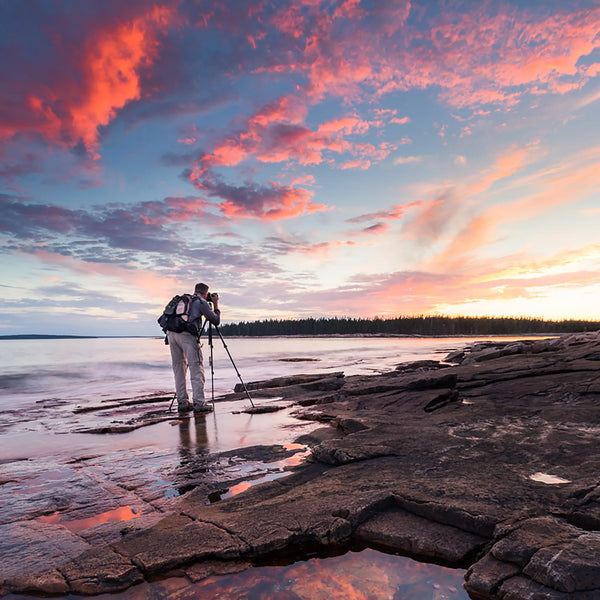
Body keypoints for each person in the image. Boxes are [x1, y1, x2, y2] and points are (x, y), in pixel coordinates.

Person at [167, 282, 220, 413]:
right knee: (196, 368)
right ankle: (199, 403)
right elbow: (215, 320)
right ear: (206, 293)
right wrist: (215, 304)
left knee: (179, 368)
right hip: (186, 336)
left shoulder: (186, 301)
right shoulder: (201, 302)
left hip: (171, 334)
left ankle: (182, 402)